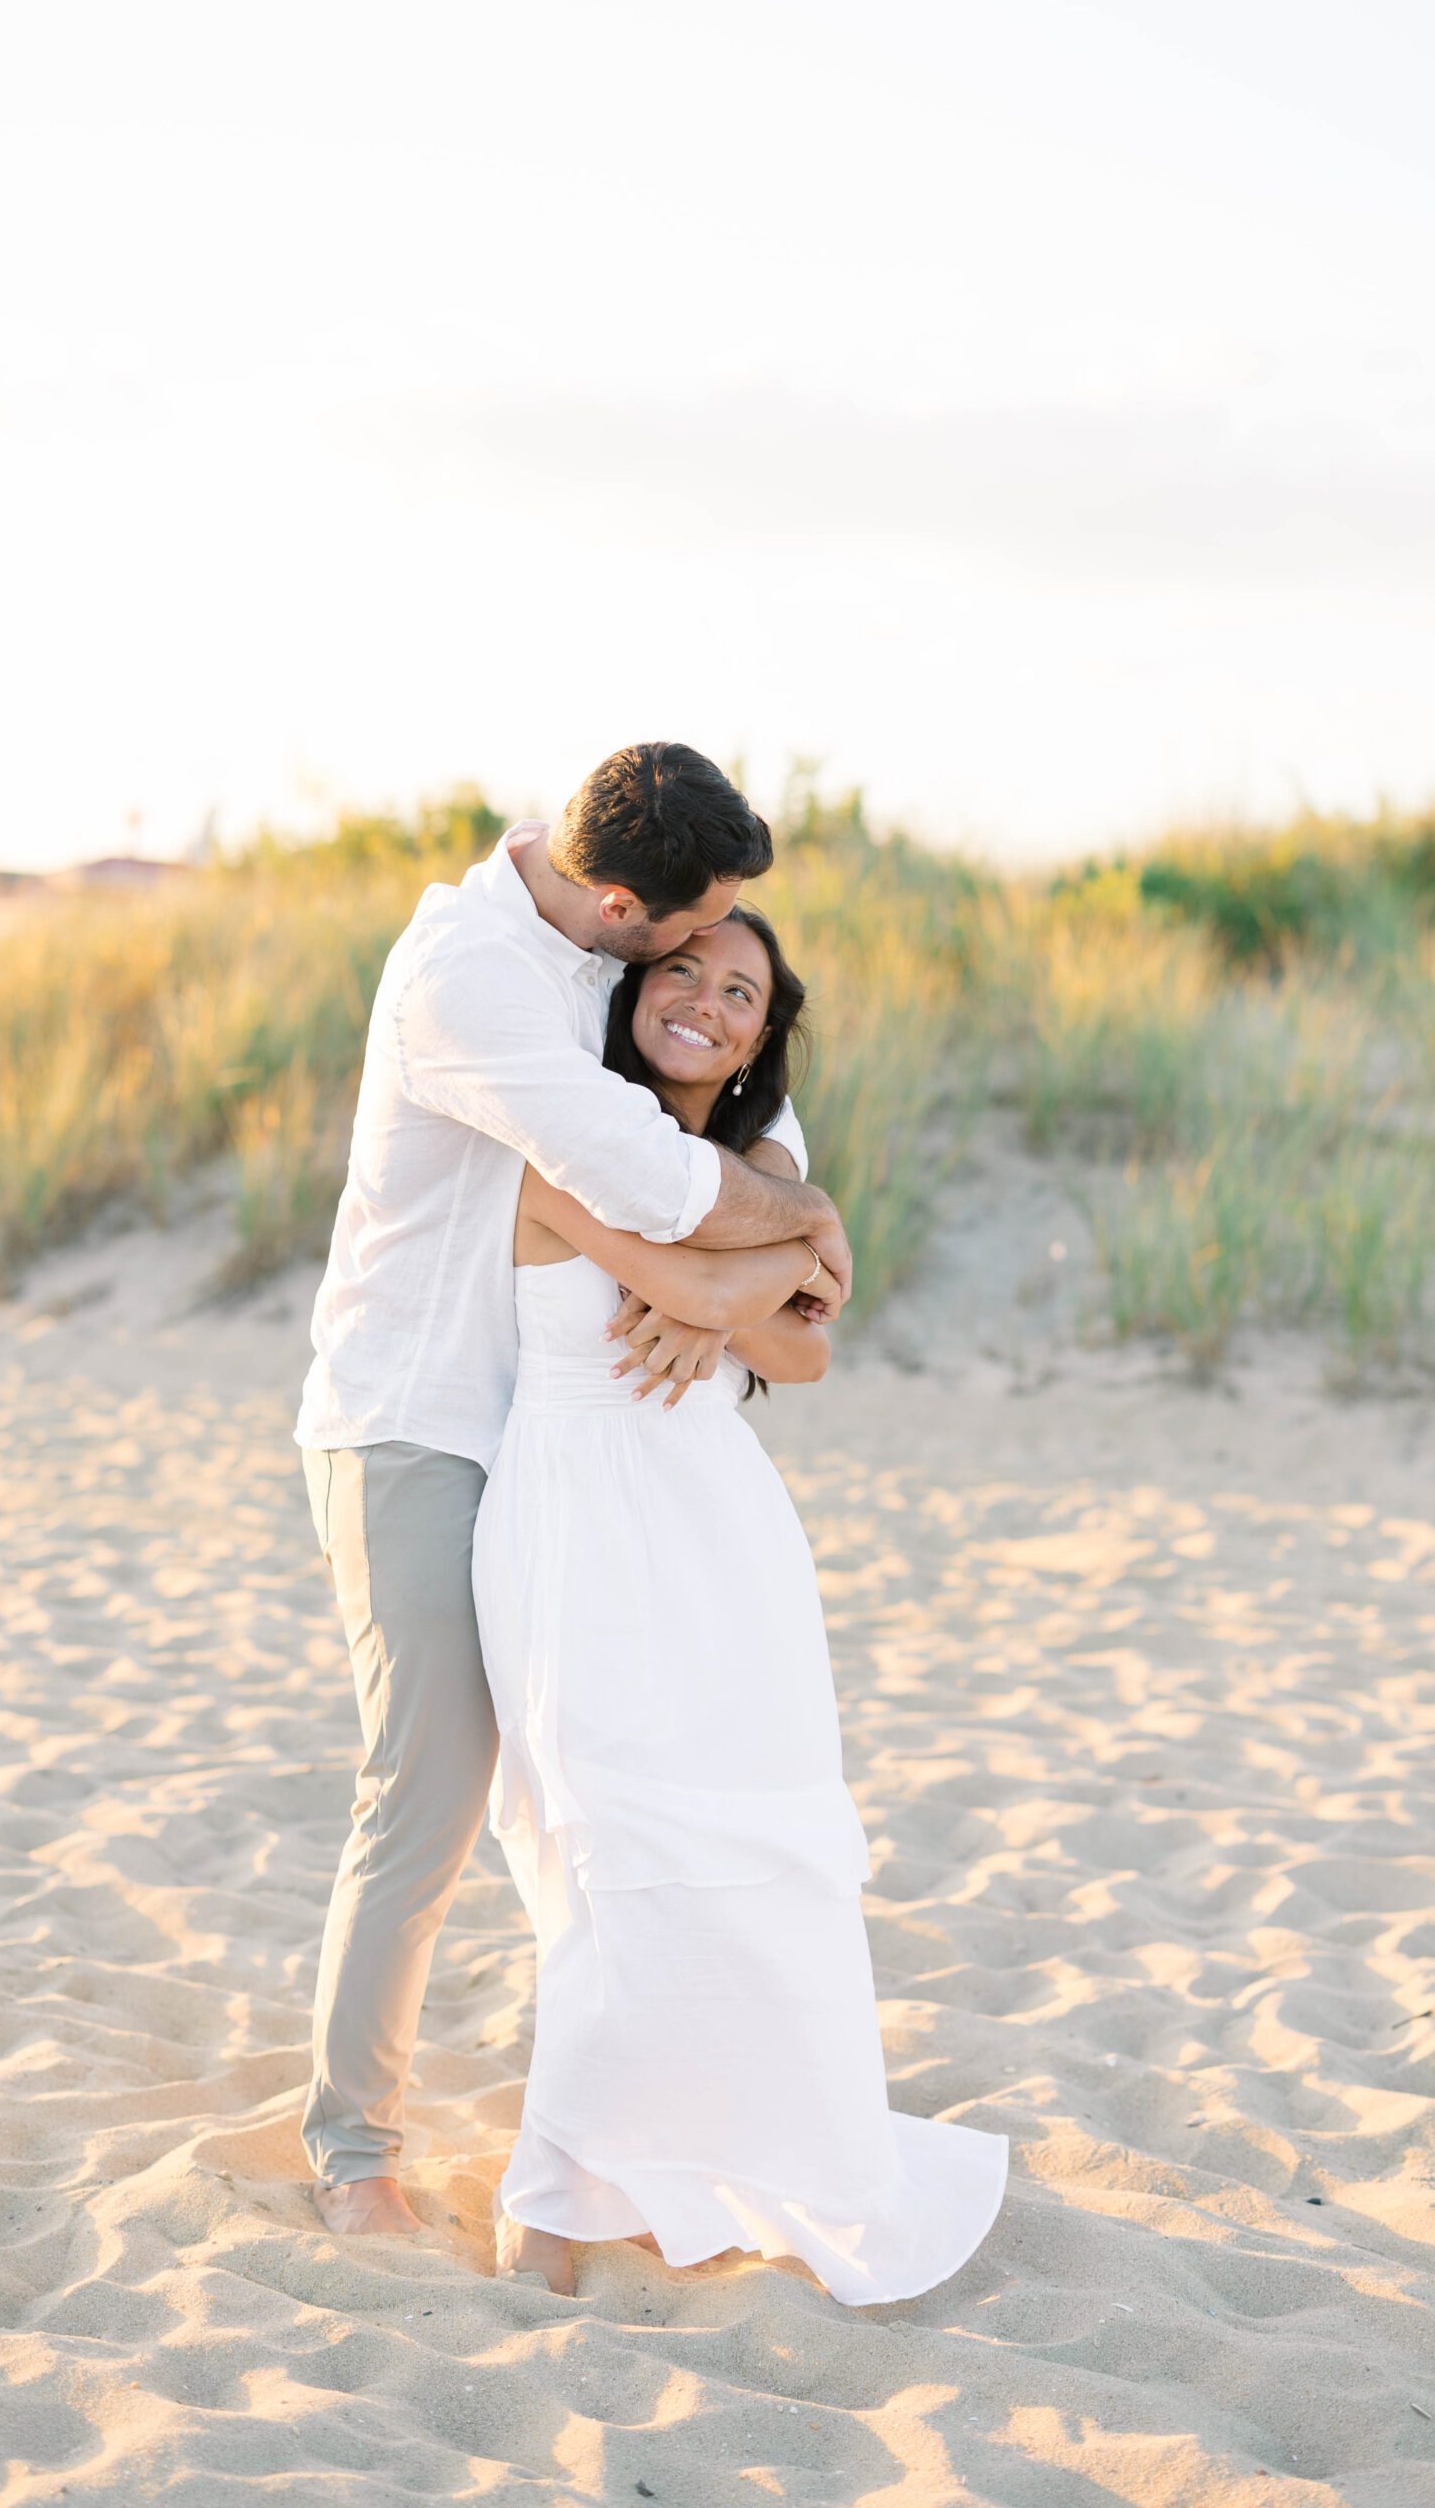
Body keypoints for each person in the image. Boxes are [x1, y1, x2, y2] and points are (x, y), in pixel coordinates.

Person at [294, 743, 851, 2236]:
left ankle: (628, 2111)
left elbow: (737, 1093)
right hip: (417, 1422)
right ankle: (355, 2156)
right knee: (430, 1788)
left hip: (556, 1443)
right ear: (619, 903)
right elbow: (648, 1179)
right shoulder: (466, 979)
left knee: (597, 1789)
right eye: (682, 927)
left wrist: (760, 1253)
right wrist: (802, 1232)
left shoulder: (602, 950)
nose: (692, 957)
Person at [474, 906, 1008, 2302]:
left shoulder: (769, 1158)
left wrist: (753, 1283)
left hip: (719, 1524)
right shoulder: (566, 1124)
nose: (703, 1002)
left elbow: (806, 1353)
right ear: (631, 990)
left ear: (766, 1031)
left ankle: (719, 2146)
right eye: (680, 973)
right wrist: (777, 1264)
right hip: (576, 1507)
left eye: (739, 992)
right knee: (610, 1841)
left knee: (751, 1839)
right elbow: (670, 1273)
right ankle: (559, 2189)